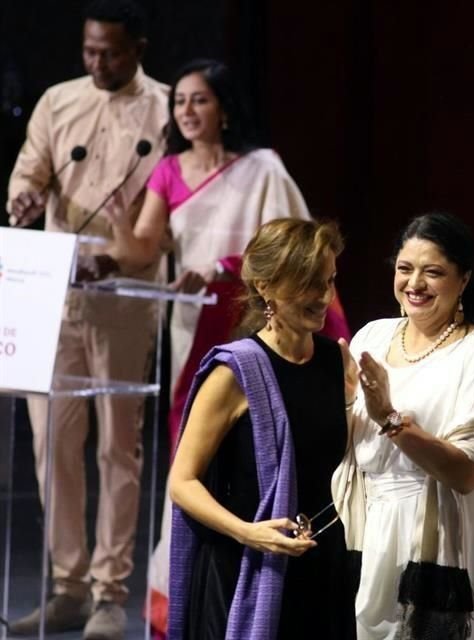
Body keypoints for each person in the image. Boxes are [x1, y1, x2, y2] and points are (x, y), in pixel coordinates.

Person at [102, 58, 349, 635]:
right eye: (180, 101)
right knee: (217, 462)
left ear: (226, 107)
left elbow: (290, 246)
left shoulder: (260, 169)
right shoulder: (166, 170)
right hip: (199, 332)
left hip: (322, 560)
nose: (187, 111)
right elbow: (141, 248)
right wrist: (115, 232)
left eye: (200, 100)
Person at [5, 1, 168, 637]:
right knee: (52, 445)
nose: (98, 63)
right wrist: (24, 193)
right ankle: (68, 585)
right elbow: (31, 168)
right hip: (52, 291)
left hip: (124, 296)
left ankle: (108, 591)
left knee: (115, 449)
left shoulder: (163, 109)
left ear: (139, 48)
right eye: (90, 51)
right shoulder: (57, 100)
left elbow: (171, 201)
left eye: (112, 53)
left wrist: (126, 256)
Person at [336, 212, 474, 639]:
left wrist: (389, 417)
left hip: (446, 531)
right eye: (405, 269)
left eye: (433, 272)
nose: (415, 284)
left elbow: (464, 474)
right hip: (372, 519)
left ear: (463, 280)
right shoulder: (372, 337)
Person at [167, 218, 357, 640]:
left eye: (329, 282)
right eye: (310, 284)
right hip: (245, 568)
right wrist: (250, 533)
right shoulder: (235, 371)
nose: (323, 297)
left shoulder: (337, 361)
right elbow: (182, 482)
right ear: (266, 287)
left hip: (321, 568)